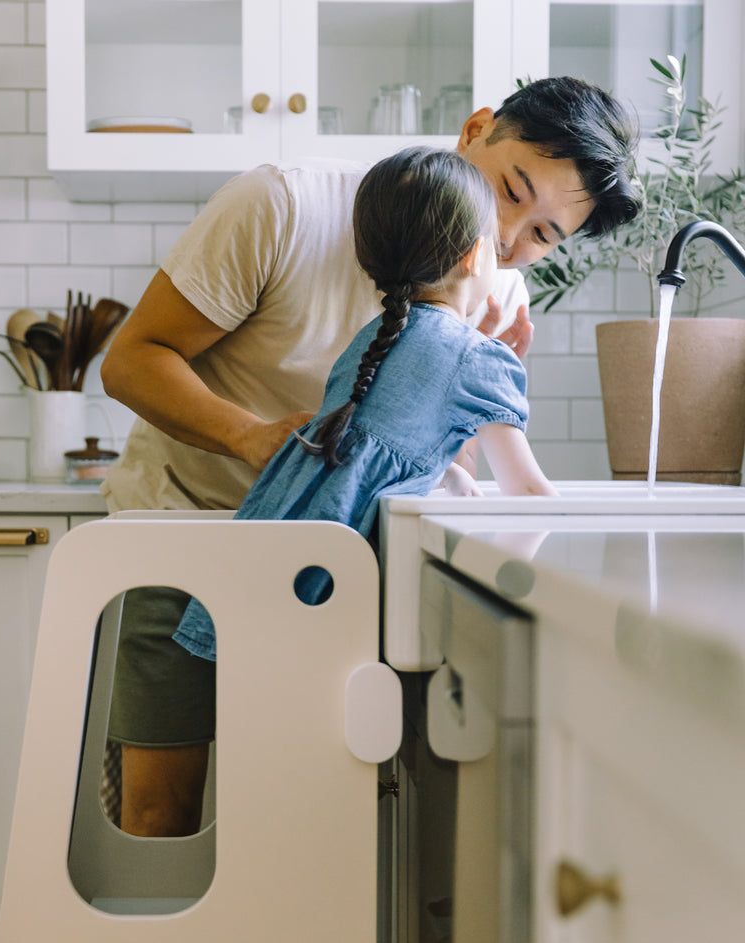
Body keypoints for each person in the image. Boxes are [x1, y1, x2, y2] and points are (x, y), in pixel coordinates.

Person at [98, 76, 640, 943]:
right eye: (511, 194)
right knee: (157, 827)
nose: (507, 239)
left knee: (296, 845)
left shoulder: (479, 295)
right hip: (187, 543)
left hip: (321, 589)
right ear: (475, 129)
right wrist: (269, 443)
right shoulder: (285, 205)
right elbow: (130, 358)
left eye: (539, 235)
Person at [173, 146, 556, 664]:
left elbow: (379, 443)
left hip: (270, 562)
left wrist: (448, 475)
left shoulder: (374, 338)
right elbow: (529, 493)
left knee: (260, 730)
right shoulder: (478, 356)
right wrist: (507, 596)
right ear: (474, 255)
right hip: (335, 584)